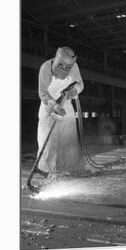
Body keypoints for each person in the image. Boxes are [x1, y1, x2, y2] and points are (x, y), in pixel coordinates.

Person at [36, 47, 89, 176]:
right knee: (49, 141)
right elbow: (43, 93)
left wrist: (75, 90)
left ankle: (71, 168)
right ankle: (46, 171)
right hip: (49, 106)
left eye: (68, 68)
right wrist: (54, 105)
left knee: (69, 138)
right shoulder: (45, 69)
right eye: (62, 67)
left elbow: (80, 84)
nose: (66, 70)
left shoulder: (74, 67)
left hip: (66, 103)